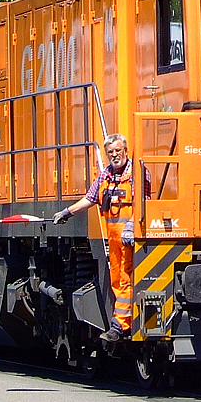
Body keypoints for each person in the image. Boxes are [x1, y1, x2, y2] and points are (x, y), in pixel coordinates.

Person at [53, 134, 149, 343]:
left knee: (126, 280)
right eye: (110, 152)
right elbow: (90, 198)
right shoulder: (105, 175)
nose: (115, 155)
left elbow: (145, 201)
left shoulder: (137, 173)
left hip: (133, 239)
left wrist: (132, 227)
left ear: (125, 150)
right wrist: (67, 213)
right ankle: (123, 322)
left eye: (118, 150)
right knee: (118, 280)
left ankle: (121, 325)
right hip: (115, 241)